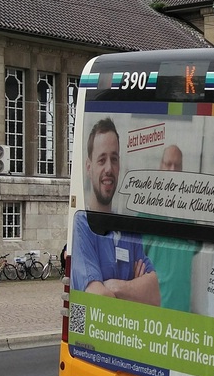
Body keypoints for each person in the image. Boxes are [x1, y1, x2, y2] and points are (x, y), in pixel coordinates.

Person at [71, 117, 160, 305]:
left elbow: (155, 295)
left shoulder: (128, 227)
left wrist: (114, 286)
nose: (109, 168)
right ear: (89, 167)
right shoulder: (82, 225)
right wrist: (134, 290)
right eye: (102, 160)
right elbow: (97, 297)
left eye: (114, 159)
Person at [144, 145, 199, 311]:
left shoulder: (189, 215)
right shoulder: (147, 211)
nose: (172, 170)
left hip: (182, 309)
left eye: (177, 165)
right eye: (168, 164)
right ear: (160, 167)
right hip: (153, 307)